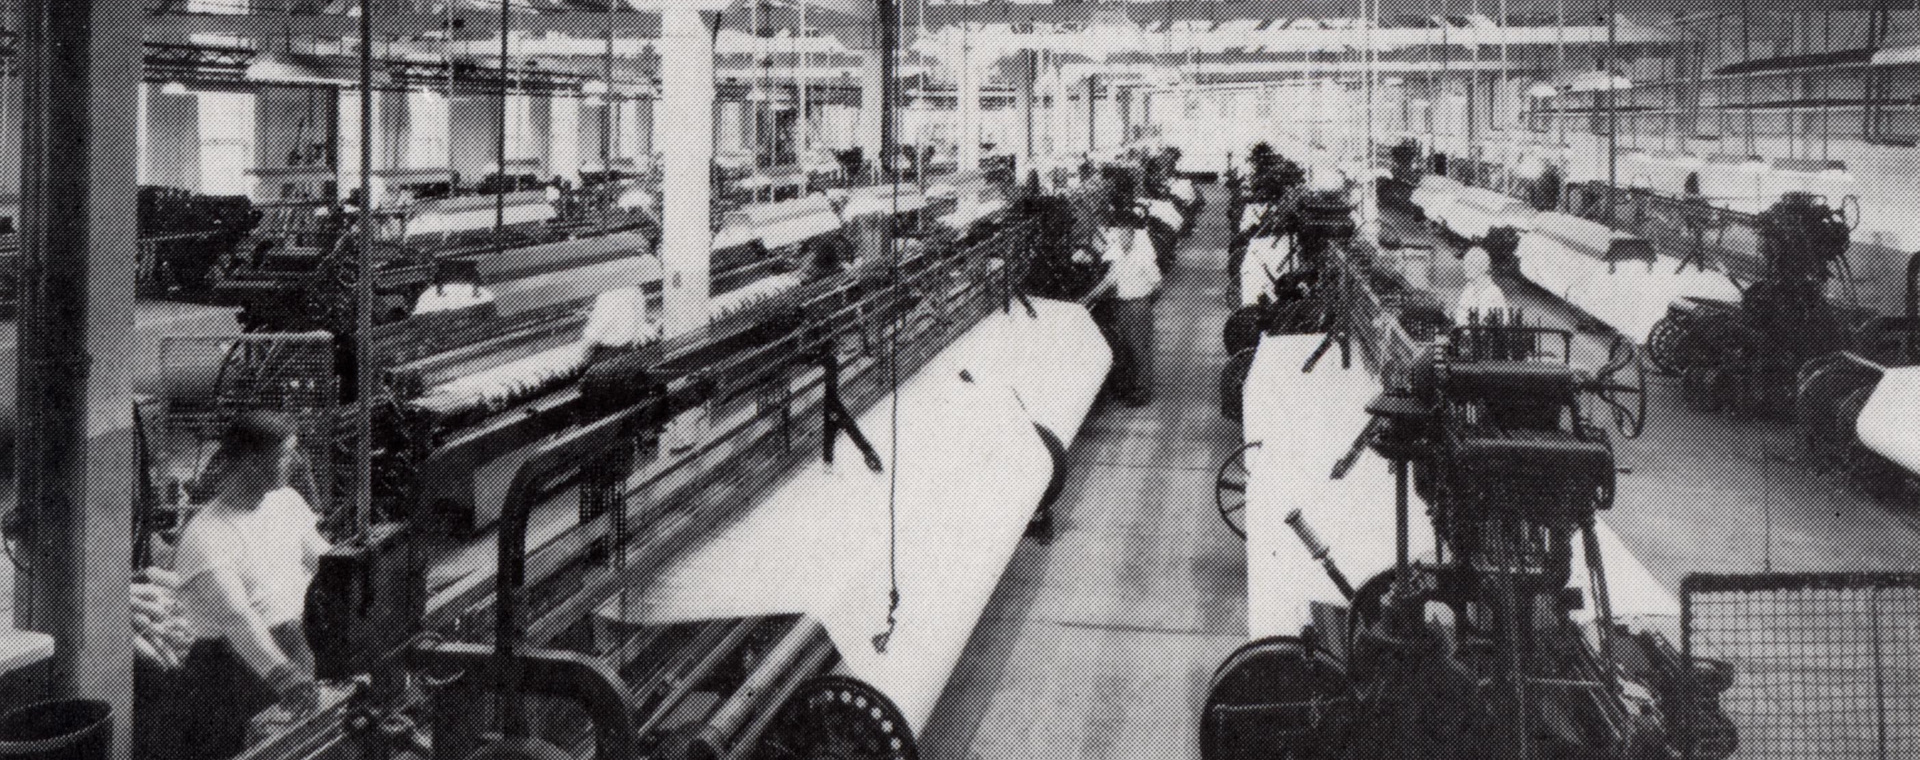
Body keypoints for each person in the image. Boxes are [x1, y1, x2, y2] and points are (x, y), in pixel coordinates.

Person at [170, 411, 328, 758]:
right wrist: (285, 677)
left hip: (294, 645)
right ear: (254, 463)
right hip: (234, 671)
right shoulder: (207, 535)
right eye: (287, 454)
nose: (297, 462)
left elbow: (324, 562)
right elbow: (237, 619)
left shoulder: (285, 502)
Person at [1089, 204, 1163, 407]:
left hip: (1138, 305)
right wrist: (1086, 300)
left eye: (1124, 234)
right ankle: (1130, 387)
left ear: (1131, 234)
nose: (1121, 239)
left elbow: (1158, 284)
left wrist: (1145, 301)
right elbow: (1109, 281)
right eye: (1118, 234)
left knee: (1140, 349)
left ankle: (1143, 392)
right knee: (1126, 348)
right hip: (1122, 306)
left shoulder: (1143, 256)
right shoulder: (1117, 255)